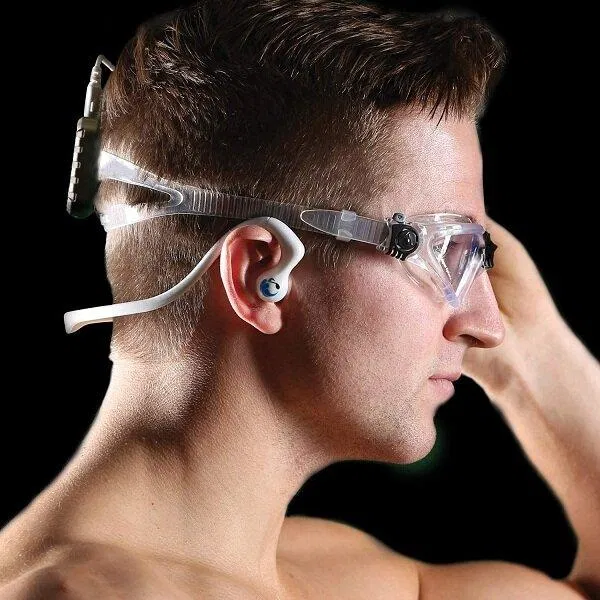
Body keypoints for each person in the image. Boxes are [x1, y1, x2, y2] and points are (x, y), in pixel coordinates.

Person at [1, 1, 598, 598]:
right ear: (260, 275)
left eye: (474, 254)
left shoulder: (336, 570)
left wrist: (537, 353)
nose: (489, 327)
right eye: (442, 249)